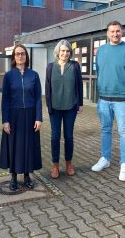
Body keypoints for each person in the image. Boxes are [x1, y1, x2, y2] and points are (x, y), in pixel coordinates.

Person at [91, 21, 125, 181]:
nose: (115, 34)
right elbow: (100, 71)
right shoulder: (101, 50)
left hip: (123, 100)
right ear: (107, 33)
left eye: (118, 31)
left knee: (124, 133)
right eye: (112, 31)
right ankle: (105, 159)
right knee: (105, 130)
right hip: (104, 99)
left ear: (122, 32)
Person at [0, 44, 42, 191]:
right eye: (17, 54)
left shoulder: (34, 75)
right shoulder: (9, 76)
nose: (20, 56)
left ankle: (27, 176)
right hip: (14, 115)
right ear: (14, 57)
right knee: (14, 146)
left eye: (22, 54)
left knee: (28, 146)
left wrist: (39, 118)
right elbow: (5, 99)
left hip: (30, 115)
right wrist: (5, 120)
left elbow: (38, 98)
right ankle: (13, 177)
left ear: (26, 56)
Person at [45, 39, 83, 179]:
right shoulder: (50, 67)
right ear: (58, 52)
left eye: (67, 51)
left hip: (70, 107)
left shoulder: (75, 66)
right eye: (62, 51)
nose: (65, 53)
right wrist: (48, 106)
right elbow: (47, 88)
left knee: (68, 136)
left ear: (70, 53)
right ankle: (55, 165)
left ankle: (68, 163)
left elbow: (79, 85)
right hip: (55, 107)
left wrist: (80, 104)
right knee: (55, 137)